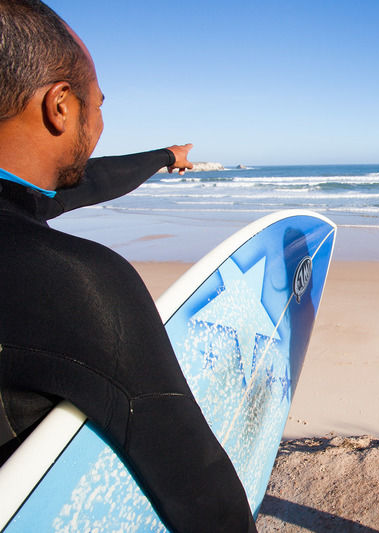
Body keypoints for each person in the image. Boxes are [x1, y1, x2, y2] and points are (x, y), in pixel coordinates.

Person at [0, 1, 256, 531]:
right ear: (61, 106)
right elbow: (202, 490)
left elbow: (80, 182)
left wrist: (165, 156)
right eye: (98, 104)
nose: (100, 121)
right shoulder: (77, 284)